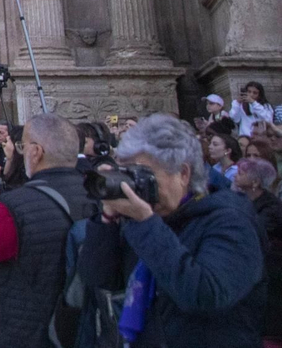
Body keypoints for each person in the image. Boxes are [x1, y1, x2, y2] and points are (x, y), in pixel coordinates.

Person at [77, 114, 265, 346]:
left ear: (183, 174)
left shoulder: (231, 220)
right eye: (128, 173)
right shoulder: (148, 219)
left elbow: (206, 296)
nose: (136, 184)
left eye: (143, 174)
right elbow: (97, 278)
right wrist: (106, 220)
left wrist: (146, 223)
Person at [0, 113, 96, 348]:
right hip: (83, 327)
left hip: (28, 330)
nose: (20, 151)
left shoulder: (17, 206)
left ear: (36, 152)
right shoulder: (98, 196)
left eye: (22, 146)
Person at [233, 157, 282, 346]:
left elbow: (253, 232)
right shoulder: (244, 200)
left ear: (255, 182)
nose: (236, 176)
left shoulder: (271, 208)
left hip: (271, 271)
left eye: (241, 173)